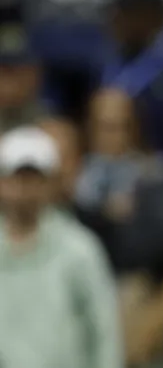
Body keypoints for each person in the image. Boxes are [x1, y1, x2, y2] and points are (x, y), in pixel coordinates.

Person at [0, 125, 123, 368]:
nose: (24, 189)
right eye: (16, 178)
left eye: (33, 179)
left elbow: (105, 333)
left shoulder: (80, 250)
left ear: (50, 183)